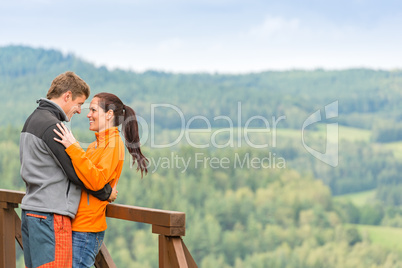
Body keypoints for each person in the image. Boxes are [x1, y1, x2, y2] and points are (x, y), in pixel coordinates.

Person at [20, 72, 114, 268]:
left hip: (31, 213)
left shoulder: (33, 119)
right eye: (79, 104)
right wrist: (106, 192)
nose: (80, 110)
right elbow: (76, 172)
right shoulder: (53, 127)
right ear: (67, 96)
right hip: (50, 217)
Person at [53, 92, 148, 268]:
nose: (88, 114)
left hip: (87, 228)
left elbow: (96, 180)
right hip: (74, 223)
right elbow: (80, 176)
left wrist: (74, 148)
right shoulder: (94, 145)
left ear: (109, 114)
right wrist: (107, 193)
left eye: (93, 110)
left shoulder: (113, 144)